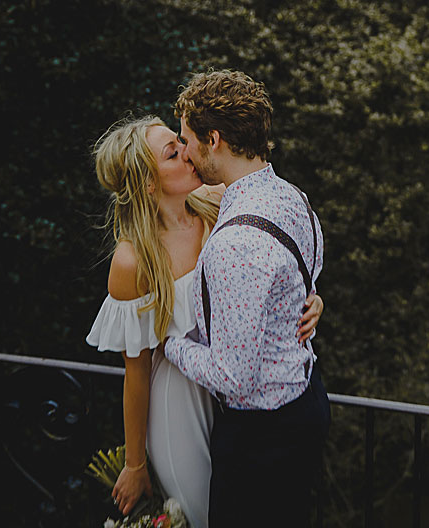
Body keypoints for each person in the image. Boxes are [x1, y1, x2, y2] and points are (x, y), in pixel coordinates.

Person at [86, 116, 324, 526]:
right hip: (179, 404)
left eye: (182, 142)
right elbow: (137, 373)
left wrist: (312, 298)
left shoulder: (218, 204)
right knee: (204, 516)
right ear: (146, 182)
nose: (188, 152)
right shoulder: (133, 261)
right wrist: (135, 462)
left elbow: (276, 266)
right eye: (172, 152)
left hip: (239, 399)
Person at [161, 69, 331, 527]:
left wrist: (170, 343)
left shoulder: (235, 245)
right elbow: (308, 268)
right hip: (305, 399)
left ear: (212, 139)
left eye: (187, 139)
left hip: (263, 434)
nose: (185, 151)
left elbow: (233, 378)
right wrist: (313, 298)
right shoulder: (291, 195)